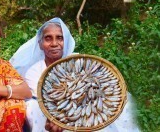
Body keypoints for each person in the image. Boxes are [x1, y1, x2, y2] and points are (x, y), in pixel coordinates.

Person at [10, 17, 140, 132]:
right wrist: (62, 117)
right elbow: (44, 101)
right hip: (52, 112)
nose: (54, 43)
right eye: (48, 38)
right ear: (40, 44)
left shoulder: (78, 61)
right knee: (34, 107)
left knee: (125, 99)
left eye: (59, 38)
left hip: (85, 106)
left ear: (65, 41)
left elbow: (95, 86)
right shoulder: (35, 71)